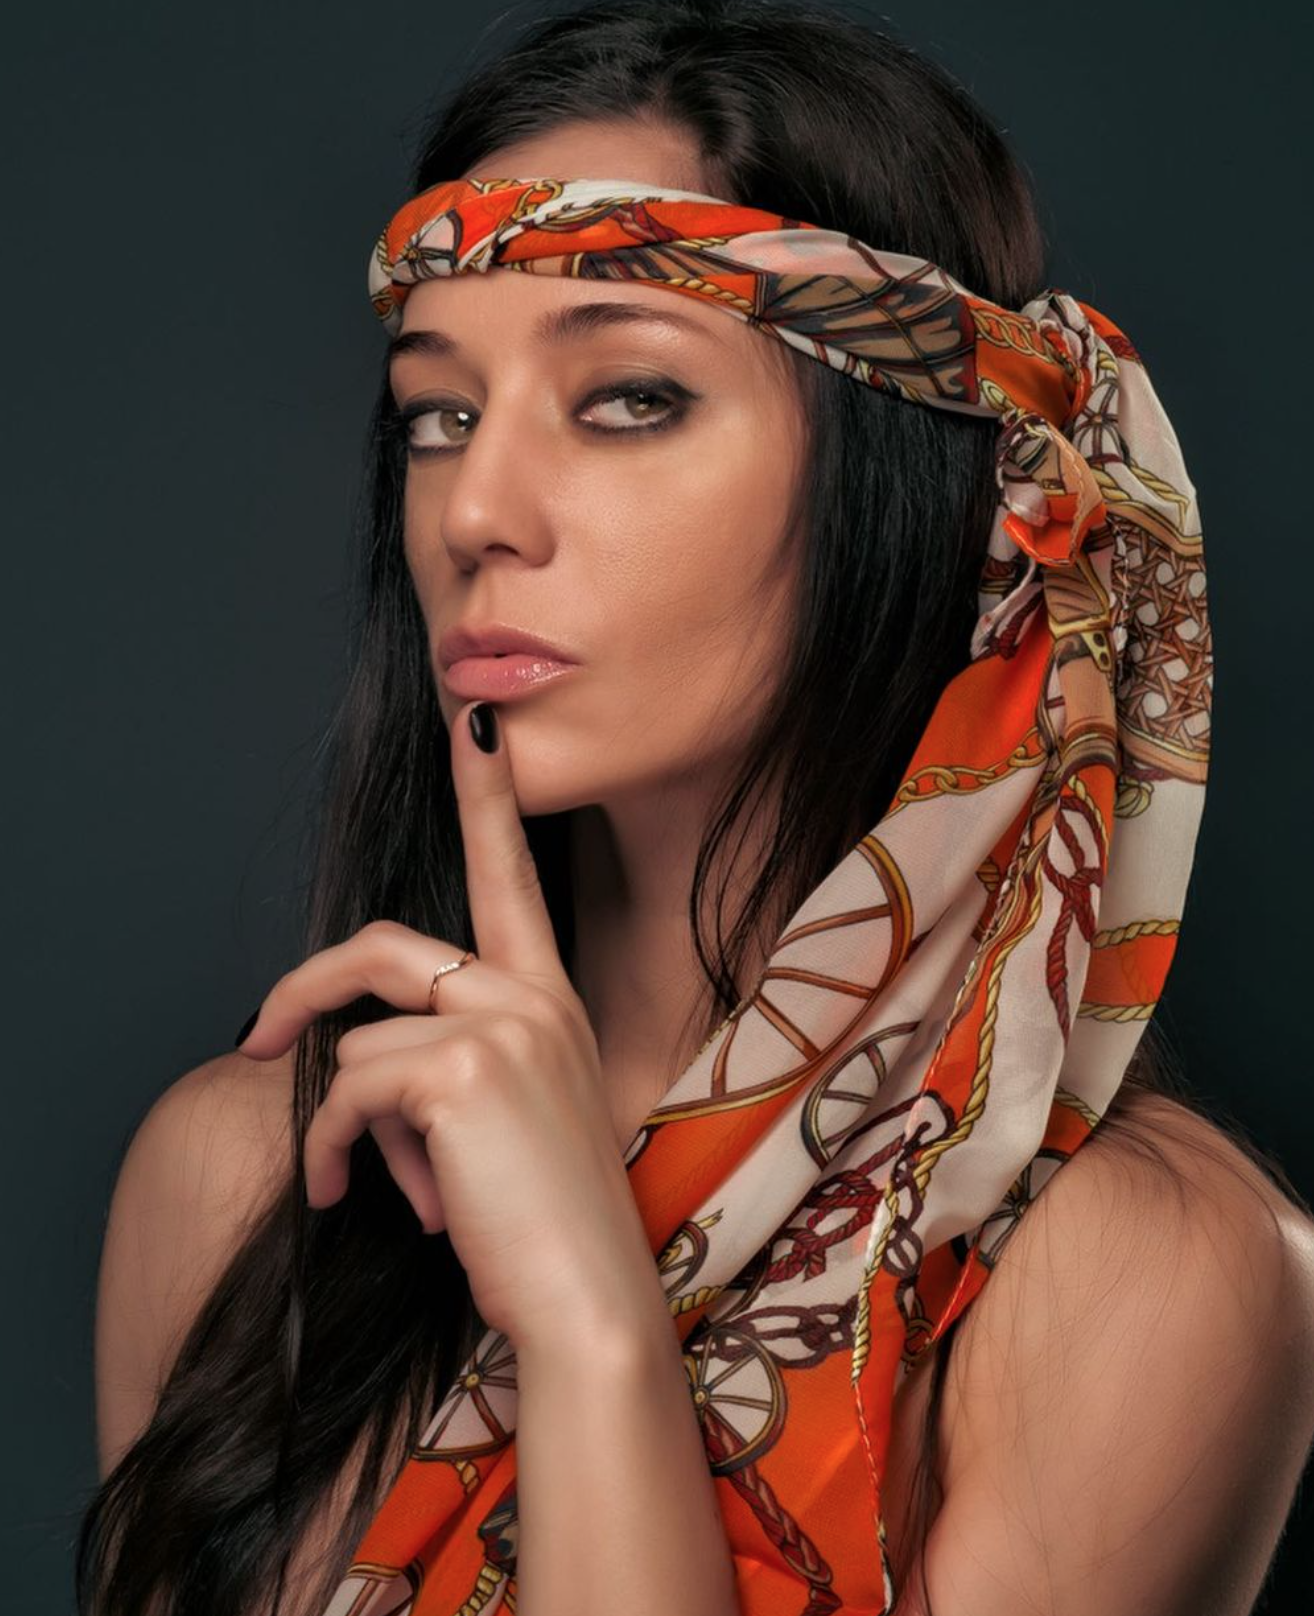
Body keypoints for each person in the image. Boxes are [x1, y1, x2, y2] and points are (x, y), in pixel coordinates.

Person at [80, 4, 1314, 1615]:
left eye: (627, 400)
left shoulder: (1141, 1276)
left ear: (920, 472)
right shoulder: (246, 1180)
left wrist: (593, 1324)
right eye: (441, 413)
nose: (475, 512)